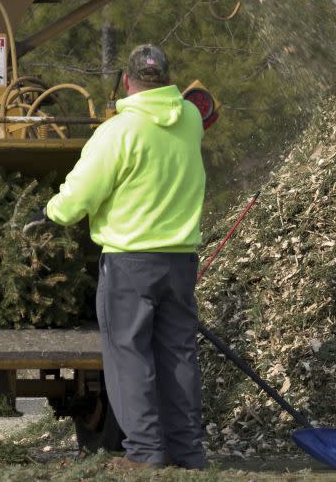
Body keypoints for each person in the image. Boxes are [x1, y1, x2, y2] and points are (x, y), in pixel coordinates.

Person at [24, 45, 206, 470]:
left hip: (130, 262)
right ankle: (189, 452)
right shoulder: (191, 120)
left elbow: (83, 192)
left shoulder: (118, 132)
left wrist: (50, 214)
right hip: (180, 260)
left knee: (129, 356)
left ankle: (144, 454)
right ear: (166, 79)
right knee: (178, 354)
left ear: (126, 81)